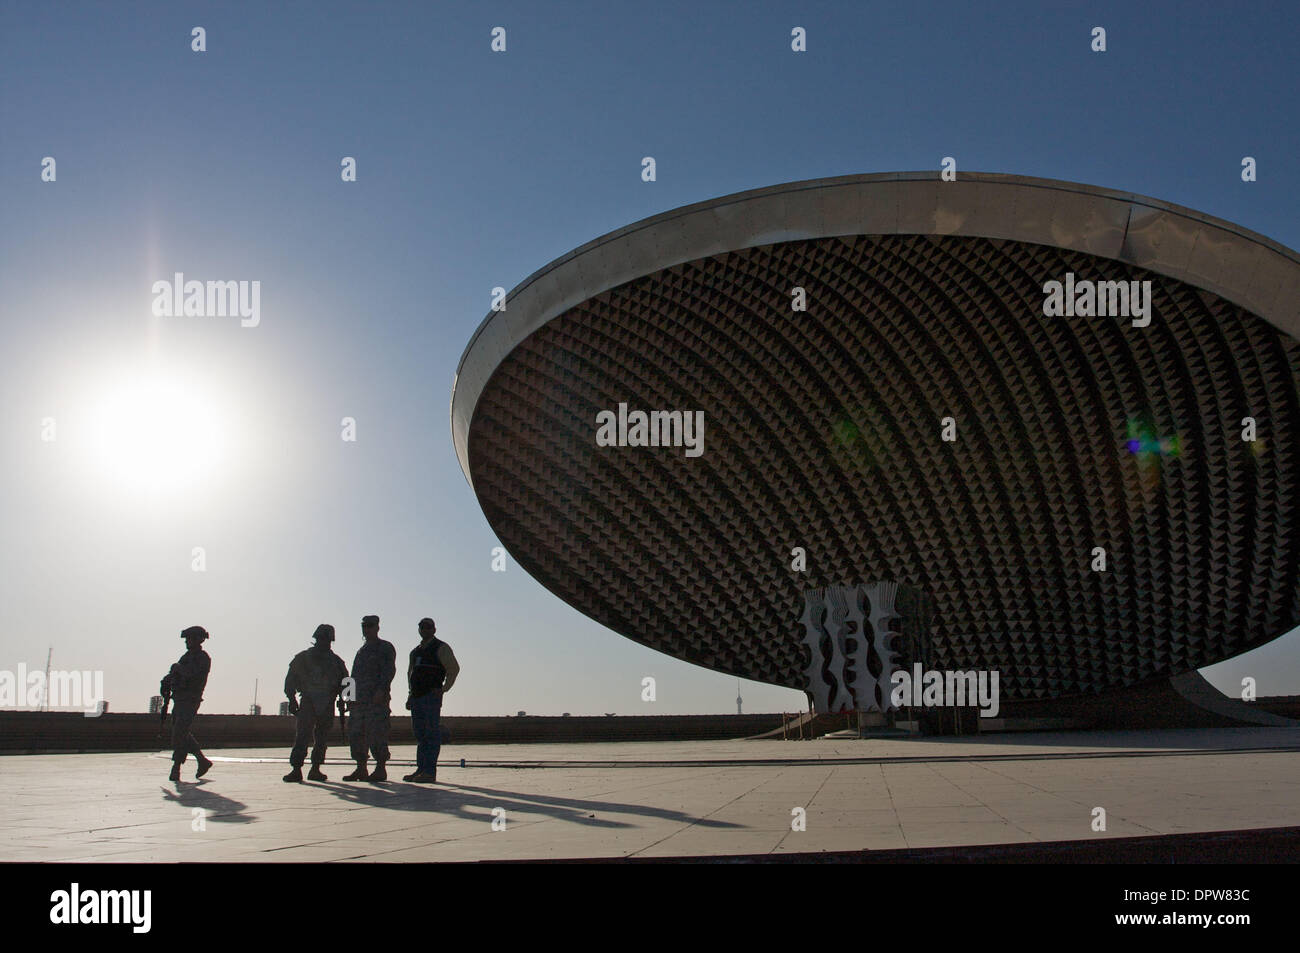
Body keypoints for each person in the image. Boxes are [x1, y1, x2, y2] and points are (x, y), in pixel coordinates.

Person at [283, 624, 348, 782]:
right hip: (308, 701)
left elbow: (347, 681)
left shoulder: (337, 661)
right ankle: (297, 768)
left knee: (322, 737)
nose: (323, 642)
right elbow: (291, 678)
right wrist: (291, 699)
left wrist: (345, 700)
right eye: (321, 639)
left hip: (327, 703)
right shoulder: (303, 657)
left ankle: (315, 768)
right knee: (303, 735)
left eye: (325, 639)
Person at [404, 617, 459, 783]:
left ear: (434, 629)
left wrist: (443, 689)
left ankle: (429, 771)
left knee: (431, 734)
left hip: (430, 696)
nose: (425, 630)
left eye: (428, 627)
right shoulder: (415, 652)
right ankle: (421, 769)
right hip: (417, 697)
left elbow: (453, 669)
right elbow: (410, 674)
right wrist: (410, 695)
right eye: (422, 627)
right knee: (420, 735)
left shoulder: (441, 648)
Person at [343, 614, 396, 782]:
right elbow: (353, 676)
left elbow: (389, 671)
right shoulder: (361, 651)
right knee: (356, 733)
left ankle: (380, 768)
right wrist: (349, 697)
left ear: (377, 627)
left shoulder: (385, 647)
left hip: (376, 700)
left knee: (377, 733)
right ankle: (361, 768)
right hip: (359, 701)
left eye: (370, 626)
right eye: (364, 626)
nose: (367, 629)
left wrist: (382, 690)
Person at [162, 626, 213, 783]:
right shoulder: (186, 657)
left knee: (179, 732)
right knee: (181, 731)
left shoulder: (203, 658)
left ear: (198, 640)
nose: (187, 642)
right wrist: (167, 680)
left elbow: (192, 673)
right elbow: (175, 675)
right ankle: (202, 760)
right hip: (179, 699)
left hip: (191, 699)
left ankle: (176, 767)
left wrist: (178, 669)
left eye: (190, 639)